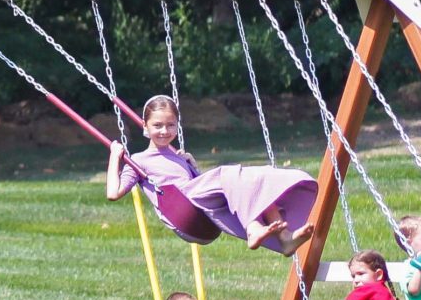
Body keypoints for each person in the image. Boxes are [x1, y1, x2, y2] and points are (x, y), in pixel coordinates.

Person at [106, 94, 319, 252]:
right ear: (145, 126)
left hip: (200, 211)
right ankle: (253, 229)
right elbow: (113, 193)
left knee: (255, 188)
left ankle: (285, 239)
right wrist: (115, 157)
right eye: (157, 125)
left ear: (177, 125)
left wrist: (193, 167)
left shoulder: (179, 155)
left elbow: (200, 187)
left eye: (171, 125)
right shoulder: (139, 160)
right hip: (182, 210)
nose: (164, 131)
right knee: (229, 174)